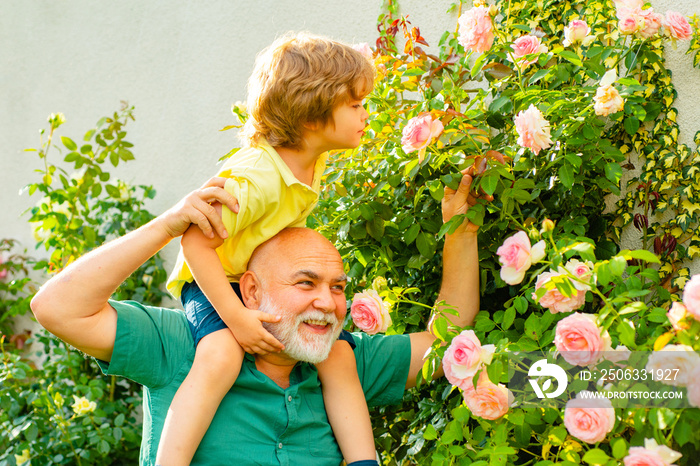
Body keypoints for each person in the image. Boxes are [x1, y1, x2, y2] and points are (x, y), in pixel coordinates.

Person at [30, 162, 486, 465]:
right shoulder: (182, 343)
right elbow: (56, 309)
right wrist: (168, 226)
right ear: (249, 290)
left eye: (338, 287)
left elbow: (449, 345)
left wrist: (460, 233)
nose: (327, 303)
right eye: (305, 283)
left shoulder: (341, 360)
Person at [161, 32, 376, 465]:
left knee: (338, 356)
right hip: (213, 281)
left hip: (249, 279)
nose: (365, 114)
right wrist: (235, 317)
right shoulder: (258, 177)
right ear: (312, 114)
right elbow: (194, 240)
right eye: (354, 105)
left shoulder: (307, 162)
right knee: (220, 354)